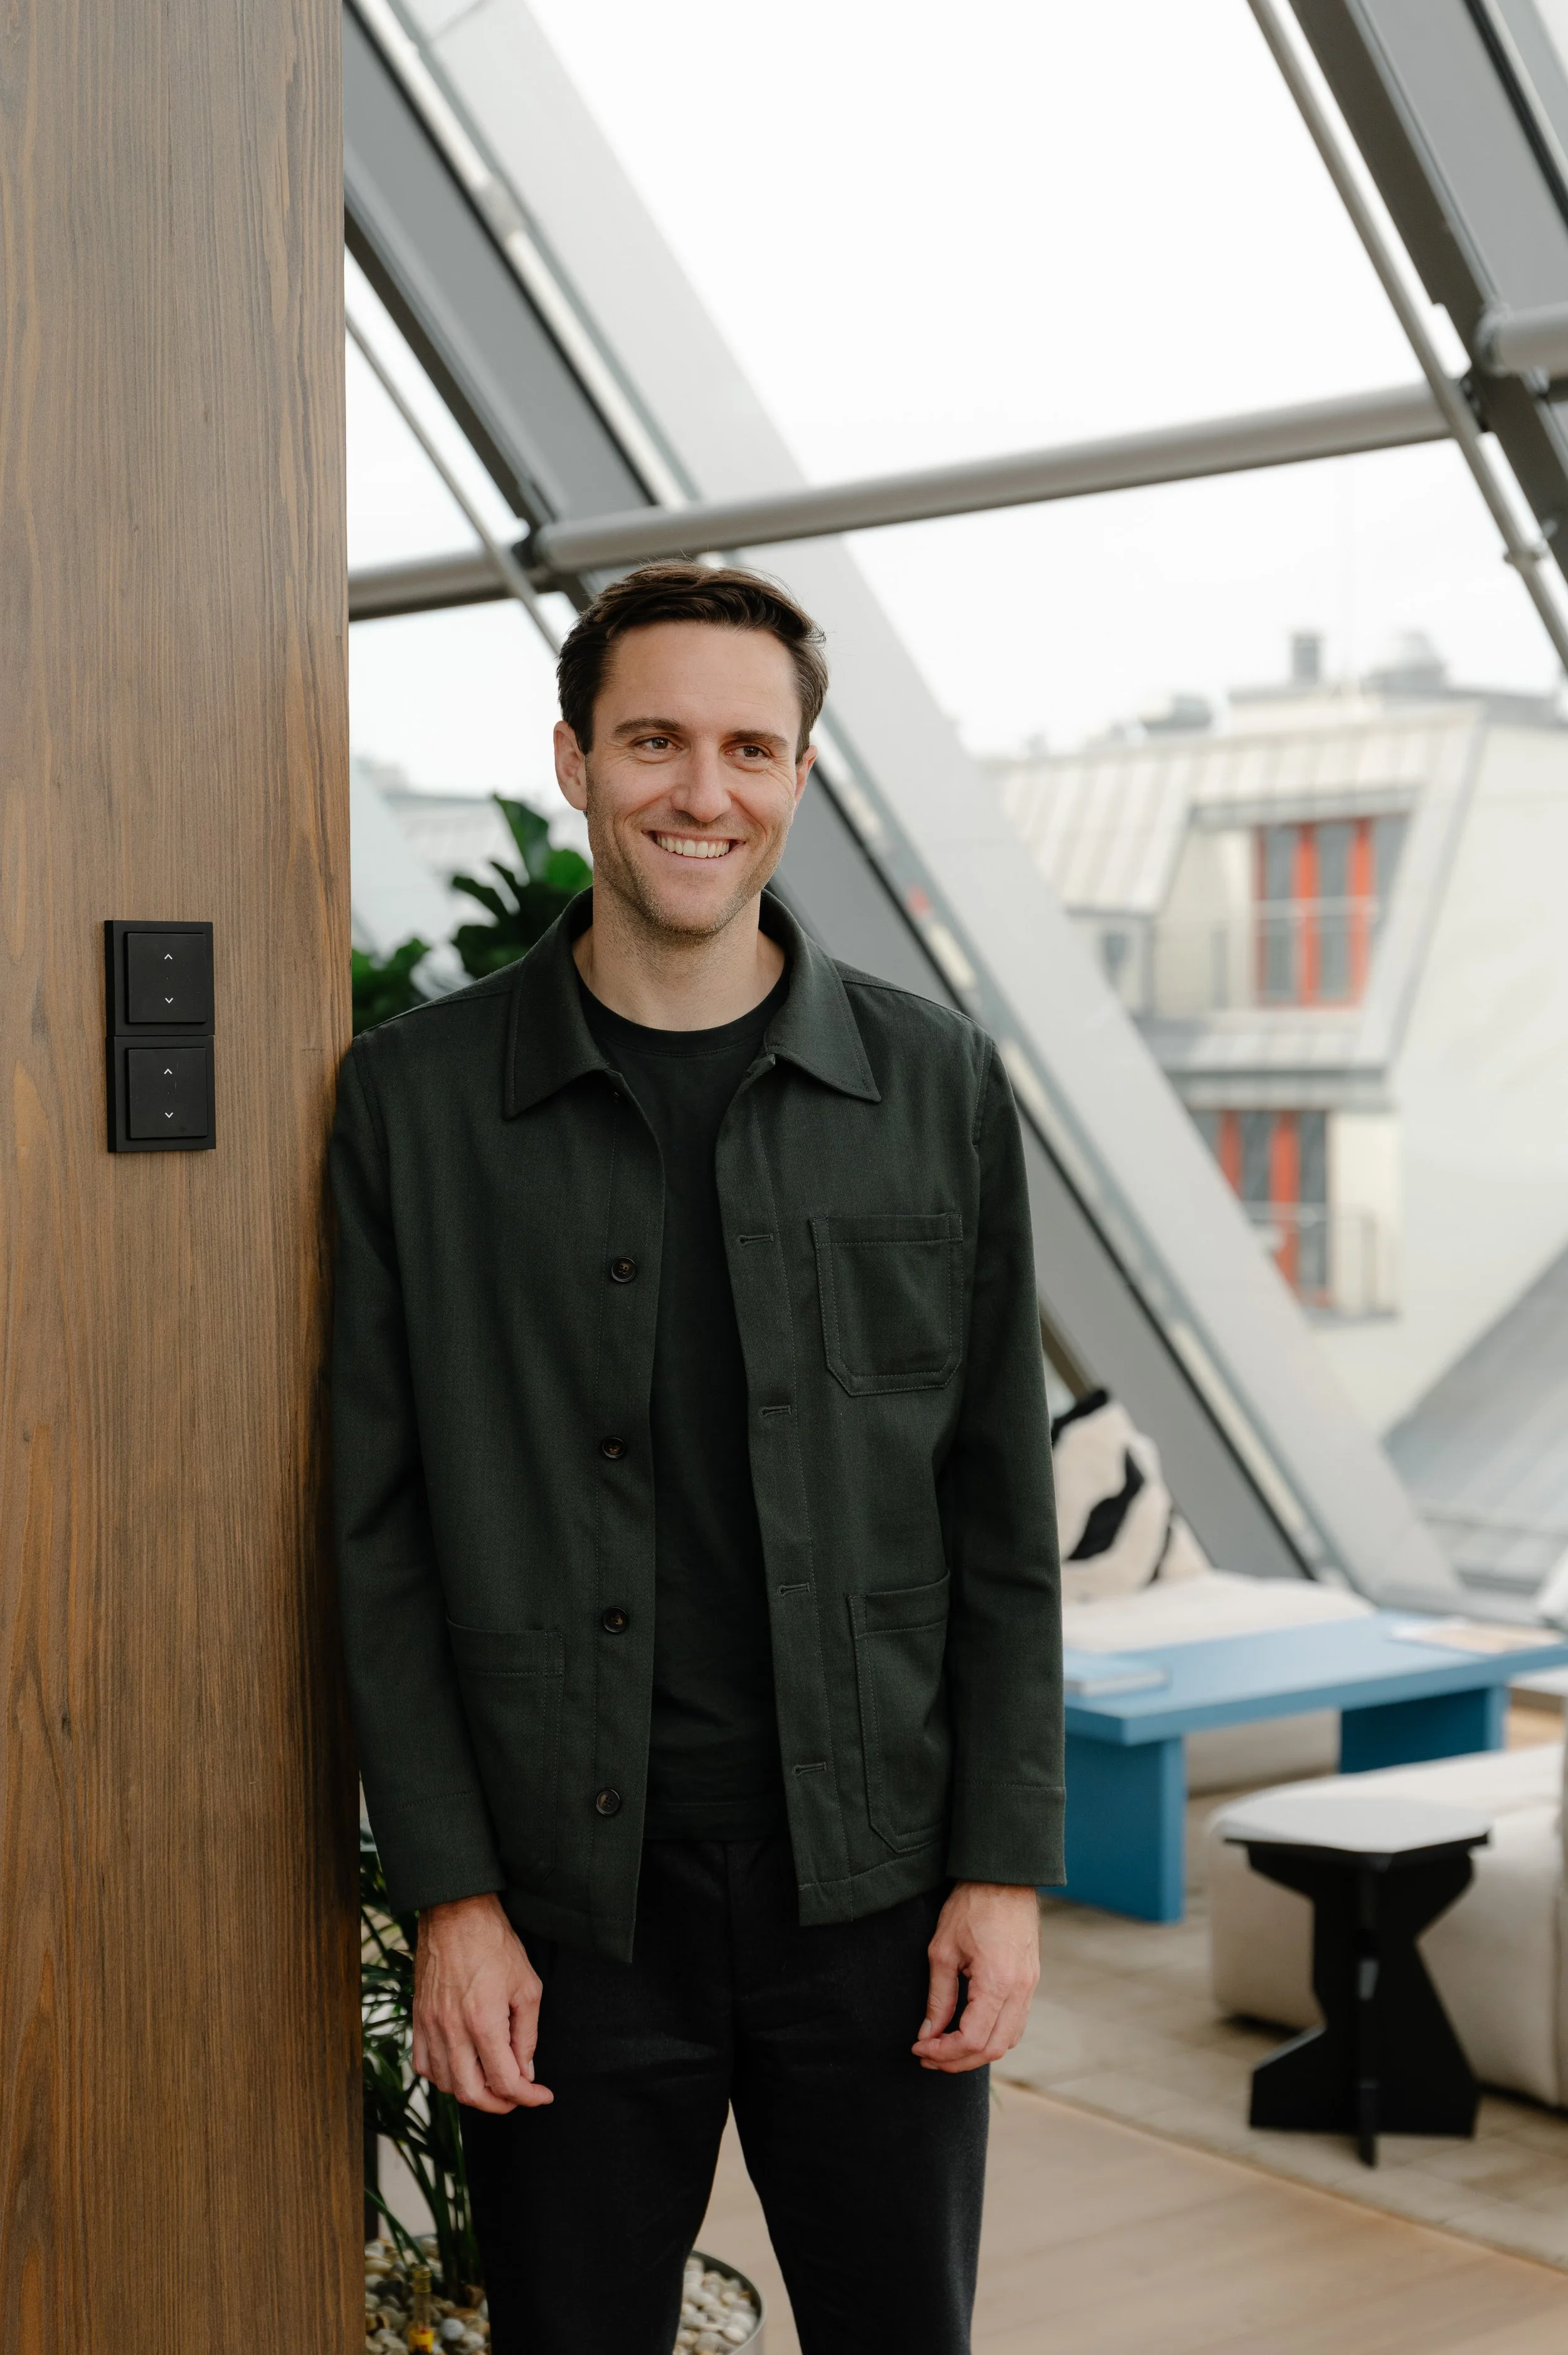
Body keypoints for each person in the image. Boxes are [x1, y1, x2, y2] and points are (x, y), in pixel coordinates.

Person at [332, 563, 1064, 2355]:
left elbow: (998, 1518)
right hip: (566, 1906)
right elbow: (376, 1532)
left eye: (750, 748)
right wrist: (451, 1902)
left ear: (801, 777)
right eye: (654, 739)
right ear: (574, 759)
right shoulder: (411, 1106)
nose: (701, 790)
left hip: (874, 1889)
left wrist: (995, 1868)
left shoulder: (938, 1086)